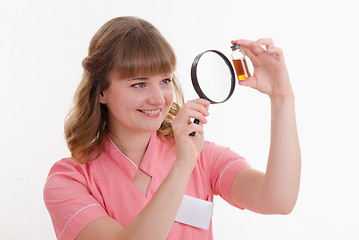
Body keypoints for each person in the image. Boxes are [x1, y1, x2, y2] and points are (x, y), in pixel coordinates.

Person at [43, 16, 301, 240]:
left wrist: (282, 96)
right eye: (139, 84)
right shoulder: (69, 181)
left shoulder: (204, 157)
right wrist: (182, 165)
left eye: (165, 80)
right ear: (101, 91)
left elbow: (278, 199)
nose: (159, 98)